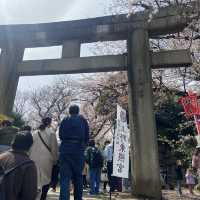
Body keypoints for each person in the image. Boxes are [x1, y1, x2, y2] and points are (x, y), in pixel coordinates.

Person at [59, 105, 89, 200]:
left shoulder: (64, 120)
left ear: (69, 111)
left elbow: (60, 135)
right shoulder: (83, 121)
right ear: (78, 111)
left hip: (65, 150)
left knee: (65, 178)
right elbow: (87, 136)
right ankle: (78, 198)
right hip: (78, 150)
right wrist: (83, 146)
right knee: (78, 177)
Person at [0, 131, 37, 200]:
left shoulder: (1, 157)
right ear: (30, 145)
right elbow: (29, 195)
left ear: (13, 142)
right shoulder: (28, 165)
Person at [30, 117, 58, 200]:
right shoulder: (51, 133)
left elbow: (30, 146)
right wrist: (55, 160)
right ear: (49, 123)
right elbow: (54, 149)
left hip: (33, 158)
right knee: (46, 180)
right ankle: (43, 197)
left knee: (34, 179)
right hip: (47, 159)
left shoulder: (34, 133)